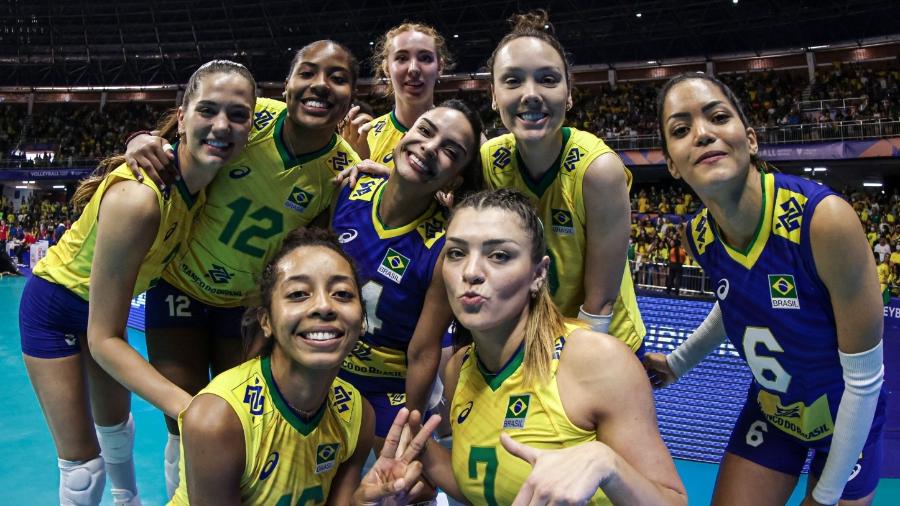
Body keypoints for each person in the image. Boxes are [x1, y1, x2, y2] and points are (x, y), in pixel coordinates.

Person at [123, 40, 363, 497]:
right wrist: (140, 139)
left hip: (248, 308)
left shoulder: (341, 173)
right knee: (183, 420)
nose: (320, 85)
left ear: (352, 95)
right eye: (307, 72)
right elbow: (186, 130)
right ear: (288, 83)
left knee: (250, 420)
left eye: (337, 77)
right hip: (181, 290)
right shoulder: (250, 116)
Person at [18, 60, 256, 506]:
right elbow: (103, 338)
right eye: (207, 110)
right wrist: (190, 409)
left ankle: (129, 501)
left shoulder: (206, 180)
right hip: (56, 310)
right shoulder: (140, 200)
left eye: (237, 115)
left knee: (118, 434)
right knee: (84, 470)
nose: (221, 125)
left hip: (102, 313)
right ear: (182, 117)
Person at [643, 72, 886, 506]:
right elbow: (735, 299)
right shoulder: (697, 237)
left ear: (750, 139)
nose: (703, 134)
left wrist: (826, 495)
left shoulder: (825, 221)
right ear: (673, 165)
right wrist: (678, 362)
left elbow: (865, 381)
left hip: (848, 416)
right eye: (681, 130)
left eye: (718, 117)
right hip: (775, 413)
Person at [403, 188, 685, 505]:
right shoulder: (458, 370)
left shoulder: (596, 360)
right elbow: (489, 488)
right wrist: (415, 450)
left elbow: (672, 501)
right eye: (456, 253)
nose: (470, 272)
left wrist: (605, 462)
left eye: (499, 255)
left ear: (538, 274)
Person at [171, 228, 441, 505]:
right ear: (266, 321)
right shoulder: (218, 419)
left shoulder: (357, 414)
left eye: (342, 294)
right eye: (299, 294)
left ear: (361, 322)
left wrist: (366, 502)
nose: (324, 306)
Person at [480, 10, 646, 355]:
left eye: (548, 79)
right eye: (512, 81)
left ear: (569, 94)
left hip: (603, 341)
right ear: (493, 95)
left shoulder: (598, 170)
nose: (531, 94)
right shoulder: (489, 160)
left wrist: (561, 365)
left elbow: (599, 306)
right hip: (532, 338)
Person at [333, 100, 482, 446]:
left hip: (386, 390)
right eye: (425, 131)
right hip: (324, 367)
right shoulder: (348, 188)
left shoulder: (445, 246)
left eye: (450, 150)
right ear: (404, 136)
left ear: (455, 178)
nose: (429, 148)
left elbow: (423, 351)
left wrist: (409, 432)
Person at [343, 22, 451, 169]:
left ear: (440, 67)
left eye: (425, 58)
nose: (413, 69)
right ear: (386, 68)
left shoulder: (463, 138)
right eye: (401, 58)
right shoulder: (365, 137)